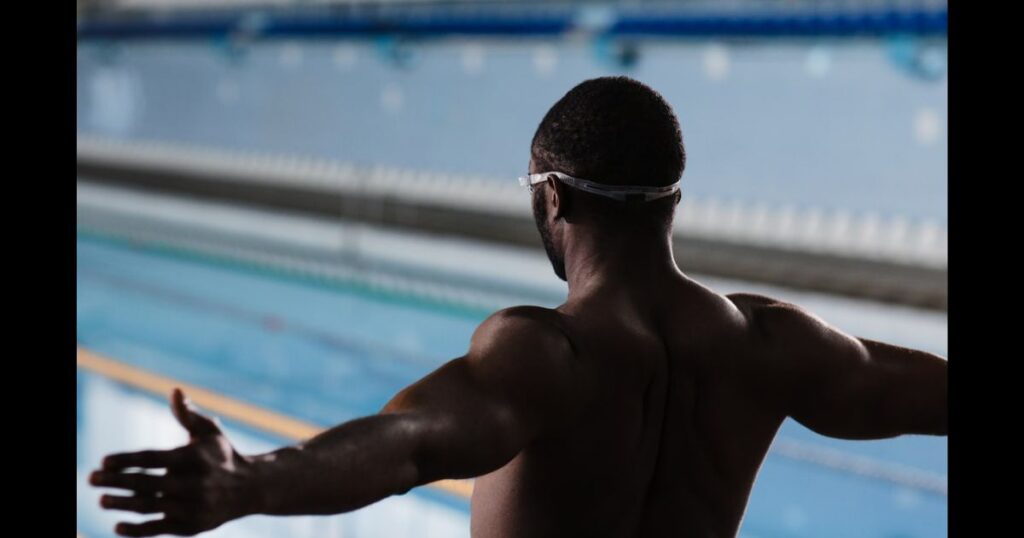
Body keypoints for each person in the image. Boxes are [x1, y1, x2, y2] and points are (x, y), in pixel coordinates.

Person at [90, 76, 948, 537]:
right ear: (671, 203)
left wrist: (252, 484)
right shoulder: (773, 344)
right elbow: (917, 392)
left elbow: (411, 445)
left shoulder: (548, 355)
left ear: (553, 201)